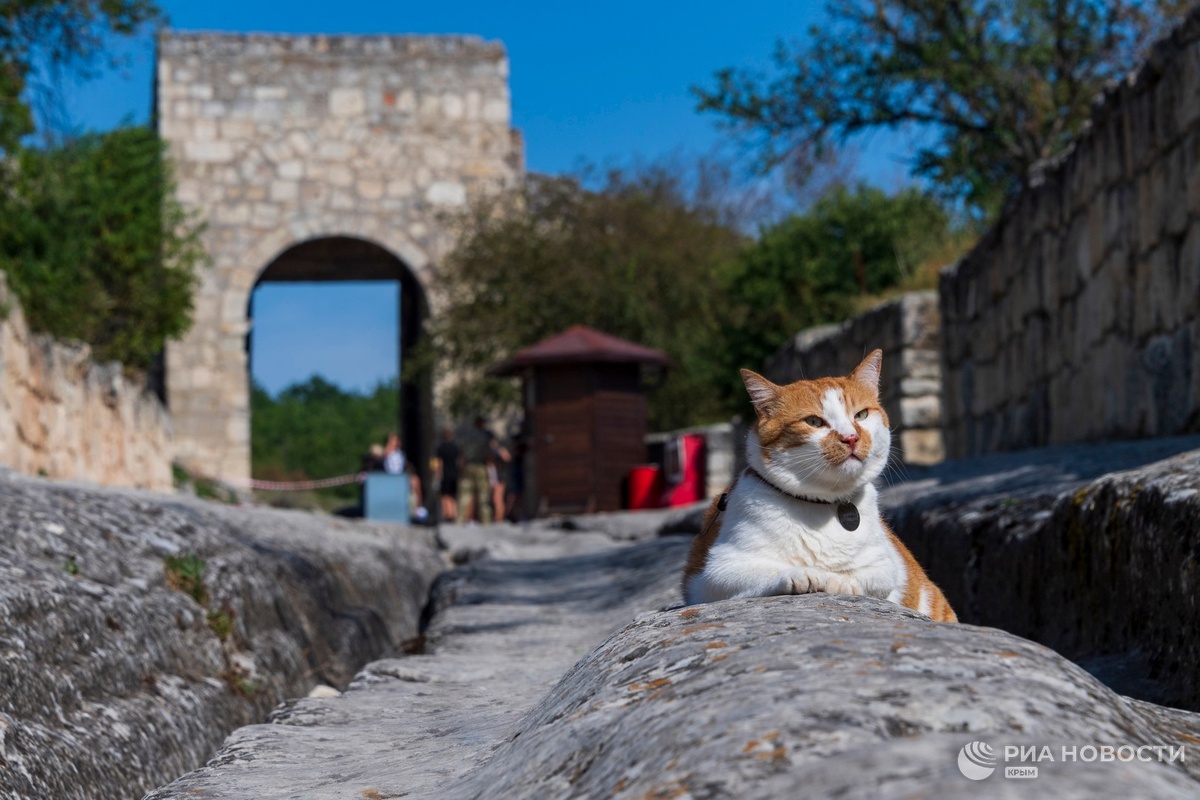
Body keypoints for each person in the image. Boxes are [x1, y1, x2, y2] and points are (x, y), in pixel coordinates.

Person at [456, 416, 493, 524]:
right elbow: (488, 453)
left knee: (464, 495)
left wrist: (461, 468)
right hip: (480, 467)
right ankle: (486, 521)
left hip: (468, 466)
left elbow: (461, 454)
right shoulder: (485, 435)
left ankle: (459, 520)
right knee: (483, 496)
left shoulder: (466, 436)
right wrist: (490, 466)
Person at [434, 427, 460, 522]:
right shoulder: (455, 447)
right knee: (453, 495)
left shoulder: (440, 448)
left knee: (444, 496)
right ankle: (453, 514)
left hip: (444, 474)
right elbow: (460, 461)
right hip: (454, 473)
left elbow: (438, 463)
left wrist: (437, 475)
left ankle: (447, 515)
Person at [488, 437, 512, 523]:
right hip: (491, 477)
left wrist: (500, 451)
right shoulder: (488, 450)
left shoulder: (499, 450)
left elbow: (507, 458)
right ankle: (495, 518)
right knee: (492, 499)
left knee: (497, 499)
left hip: (499, 477)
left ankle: (499, 519)